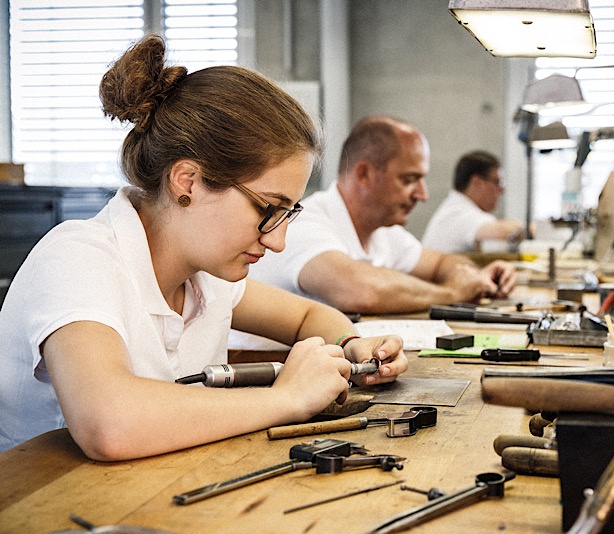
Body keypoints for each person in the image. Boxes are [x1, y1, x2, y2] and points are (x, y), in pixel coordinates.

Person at [0, 35, 407, 460]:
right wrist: (287, 398)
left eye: (288, 214)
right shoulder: (77, 259)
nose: (278, 240)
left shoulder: (205, 275)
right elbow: (108, 424)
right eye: (269, 209)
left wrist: (352, 343)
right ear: (188, 181)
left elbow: (309, 315)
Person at [252, 115, 517, 315]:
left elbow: (440, 264)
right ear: (364, 174)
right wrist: (450, 293)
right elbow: (359, 290)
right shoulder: (306, 223)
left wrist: (476, 277)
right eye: (409, 179)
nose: (422, 195)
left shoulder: (384, 232)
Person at [422, 150, 524, 253]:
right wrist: (533, 228)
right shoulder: (459, 213)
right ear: (477, 183)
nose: (502, 190)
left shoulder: (455, 207)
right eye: (497, 182)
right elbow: (503, 232)